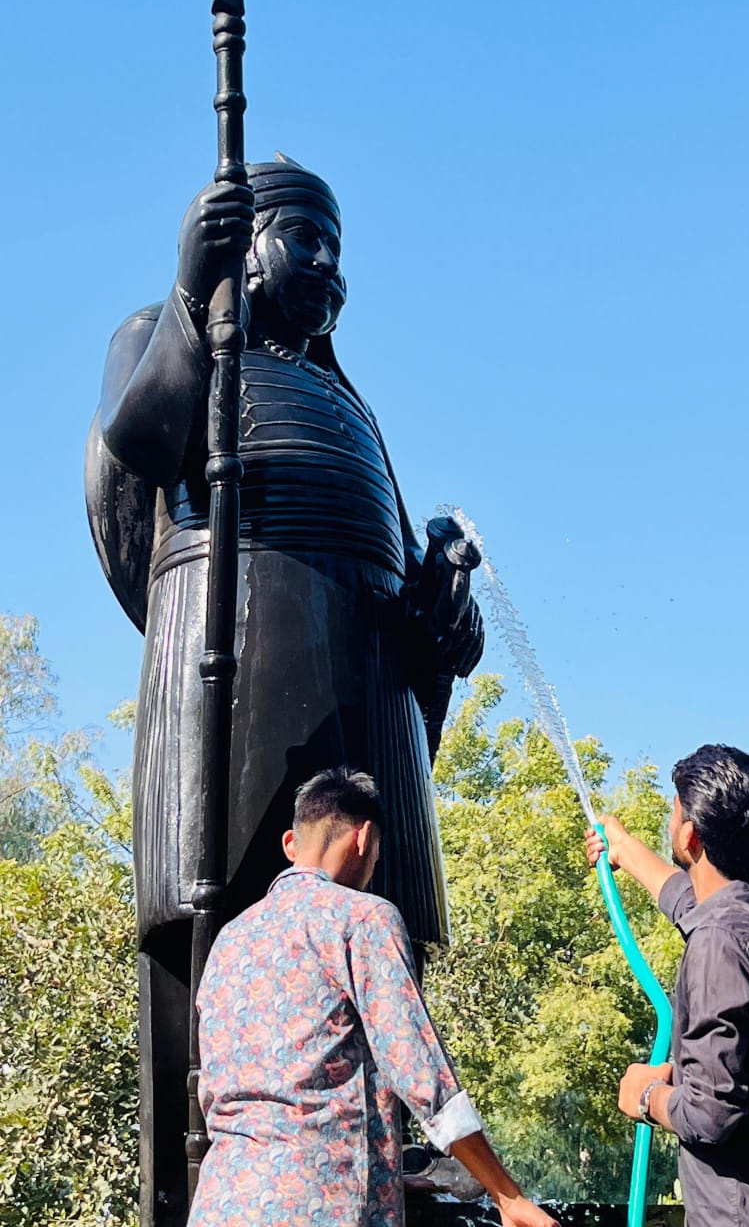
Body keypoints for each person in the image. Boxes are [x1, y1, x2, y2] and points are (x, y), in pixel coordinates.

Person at [86, 158, 482, 1224]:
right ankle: (205, 1148)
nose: (328, 265)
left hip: (362, 660)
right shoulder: (163, 334)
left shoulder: (351, 407)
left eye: (338, 247)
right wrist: (186, 291)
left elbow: (402, 577)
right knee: (220, 901)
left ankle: (398, 1155)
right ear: (241, 242)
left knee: (373, 913)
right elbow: (137, 443)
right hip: (239, 636)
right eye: (307, 237)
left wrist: (442, 606)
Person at [189, 767, 557, 1227]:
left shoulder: (229, 940)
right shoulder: (363, 918)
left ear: (291, 845)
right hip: (321, 1208)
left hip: (221, 1201)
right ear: (363, 840)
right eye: (377, 855)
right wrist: (508, 1196)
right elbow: (419, 1070)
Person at [584, 744, 749, 1227]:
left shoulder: (716, 944)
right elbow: (697, 904)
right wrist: (626, 849)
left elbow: (711, 1115)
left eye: (673, 811)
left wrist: (646, 1098)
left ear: (689, 834)